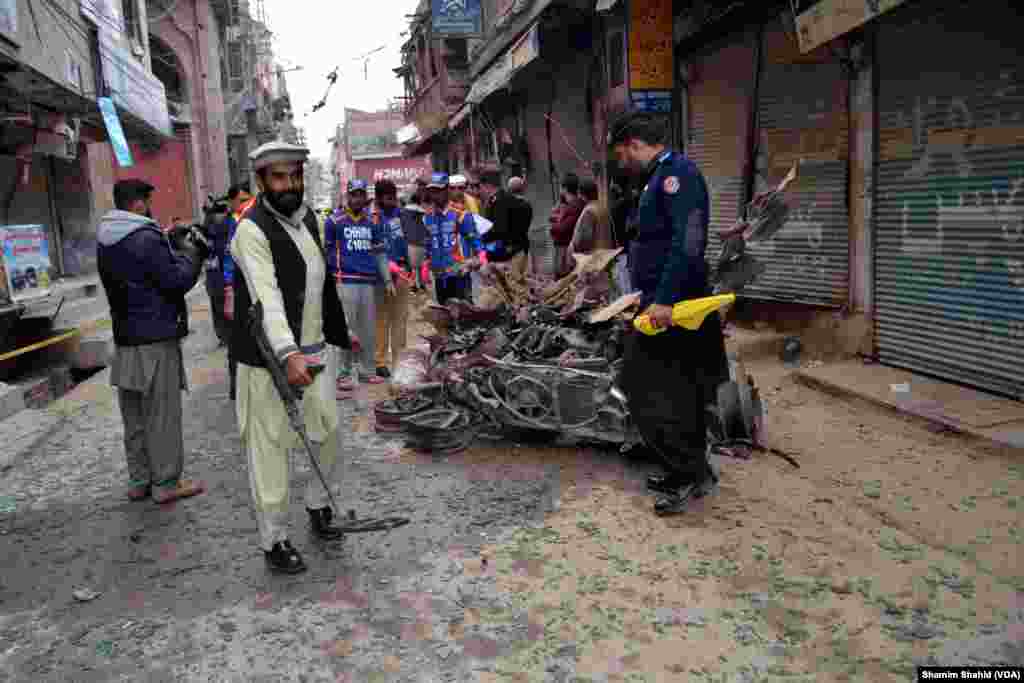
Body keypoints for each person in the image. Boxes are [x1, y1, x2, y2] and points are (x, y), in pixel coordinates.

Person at [229, 140, 354, 573]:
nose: (290, 184)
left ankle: (320, 507)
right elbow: (268, 300)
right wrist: (287, 353)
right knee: (270, 452)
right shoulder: (251, 230)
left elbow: (320, 285)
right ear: (262, 181)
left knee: (328, 433)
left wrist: (339, 334)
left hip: (317, 353)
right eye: (279, 177)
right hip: (269, 361)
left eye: (295, 175)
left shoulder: (309, 222)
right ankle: (274, 539)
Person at [609, 111, 729, 517]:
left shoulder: (678, 174)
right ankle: (689, 470)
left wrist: (665, 299)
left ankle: (689, 472)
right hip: (662, 302)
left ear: (636, 144)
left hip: (676, 307)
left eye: (622, 153)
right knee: (670, 388)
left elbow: (689, 241)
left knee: (654, 387)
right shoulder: (657, 177)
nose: (621, 161)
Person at [97, 179, 208, 504]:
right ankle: (166, 484)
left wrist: (169, 244)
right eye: (148, 200)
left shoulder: (105, 238)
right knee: (162, 413)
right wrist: (193, 254)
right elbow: (175, 281)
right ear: (138, 204)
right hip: (156, 338)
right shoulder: (146, 236)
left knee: (134, 416)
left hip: (125, 339)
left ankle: (139, 480)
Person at [325, 179, 393, 395]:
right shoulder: (334, 222)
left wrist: (388, 280)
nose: (357, 199)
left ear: (365, 198)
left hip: (368, 282)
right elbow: (326, 253)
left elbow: (380, 253)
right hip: (344, 281)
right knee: (345, 330)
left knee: (367, 330)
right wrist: (328, 282)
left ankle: (366, 370)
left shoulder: (370, 223)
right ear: (348, 196)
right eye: (354, 194)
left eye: (361, 195)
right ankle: (343, 374)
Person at [218, 183, 257, 400]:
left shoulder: (255, 217)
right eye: (241, 201)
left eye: (247, 199)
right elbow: (228, 258)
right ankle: (238, 389)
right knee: (238, 341)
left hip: (258, 287)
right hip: (239, 288)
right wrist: (229, 290)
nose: (246, 204)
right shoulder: (230, 222)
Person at [372, 179, 412, 379]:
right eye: (388, 198)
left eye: (394, 197)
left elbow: (409, 242)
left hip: (402, 274)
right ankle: (379, 362)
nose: (393, 202)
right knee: (381, 319)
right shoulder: (371, 219)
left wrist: (410, 266)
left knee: (400, 319)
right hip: (379, 277)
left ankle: (399, 360)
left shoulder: (402, 215)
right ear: (379, 199)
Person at [423, 172, 482, 305]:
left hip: (459, 272)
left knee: (465, 311)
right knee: (445, 314)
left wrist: (481, 257)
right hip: (439, 275)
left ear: (446, 190)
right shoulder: (427, 217)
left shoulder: (460, 213)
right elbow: (428, 243)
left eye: (438, 190)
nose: (435, 195)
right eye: (432, 191)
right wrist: (425, 265)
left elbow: (475, 239)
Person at [549, 173, 586, 278]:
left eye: (560, 186)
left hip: (566, 250)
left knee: (563, 280)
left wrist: (553, 227)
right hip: (565, 249)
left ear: (564, 188)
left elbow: (564, 229)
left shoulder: (575, 206)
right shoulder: (572, 204)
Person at [569, 179, 613, 257]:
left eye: (579, 194)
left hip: (593, 259)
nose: (578, 196)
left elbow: (583, 239)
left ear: (583, 195)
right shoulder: (603, 207)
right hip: (606, 256)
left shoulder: (589, 211)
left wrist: (573, 247)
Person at [401, 187, 428, 293]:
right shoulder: (422, 212)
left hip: (410, 243)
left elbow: (403, 227)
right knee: (420, 267)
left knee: (412, 268)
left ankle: (413, 287)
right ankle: (421, 285)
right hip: (422, 243)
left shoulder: (405, 212)